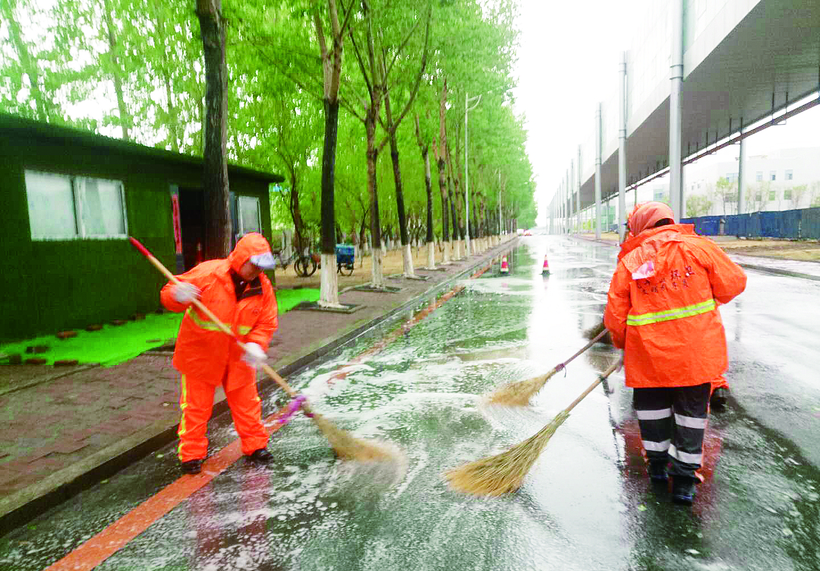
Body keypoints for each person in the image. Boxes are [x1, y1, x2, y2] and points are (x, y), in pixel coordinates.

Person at [603, 202, 746, 504]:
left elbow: (616, 316)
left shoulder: (631, 260)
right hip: (695, 357)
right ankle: (683, 483)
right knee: (691, 417)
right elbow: (733, 283)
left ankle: (657, 469)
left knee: (653, 415)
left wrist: (622, 342)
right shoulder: (699, 248)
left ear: (641, 225)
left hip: (648, 358)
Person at [161, 232, 279, 475]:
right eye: (254, 265)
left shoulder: (263, 287)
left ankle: (256, 446)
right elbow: (169, 291)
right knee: (196, 407)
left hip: (238, 357)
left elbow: (266, 322)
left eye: (261, 266)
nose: (257, 271)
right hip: (200, 354)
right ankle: (191, 455)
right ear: (242, 258)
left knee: (248, 405)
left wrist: (257, 344)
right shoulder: (207, 274)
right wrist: (176, 295)